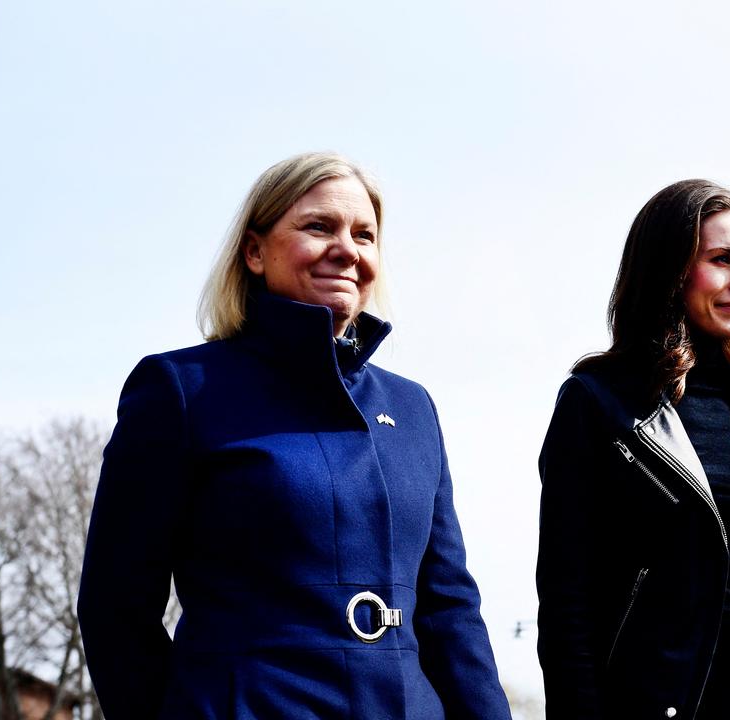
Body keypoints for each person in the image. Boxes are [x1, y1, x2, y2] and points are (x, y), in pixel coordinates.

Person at [78, 152, 513, 720]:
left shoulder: (412, 408)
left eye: (365, 235)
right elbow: (116, 607)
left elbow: (450, 608)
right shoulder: (180, 390)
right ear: (254, 252)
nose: (348, 250)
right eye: (318, 227)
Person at [536, 179, 730, 720]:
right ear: (670, 267)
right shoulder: (595, 402)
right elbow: (567, 600)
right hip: (659, 700)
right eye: (723, 259)